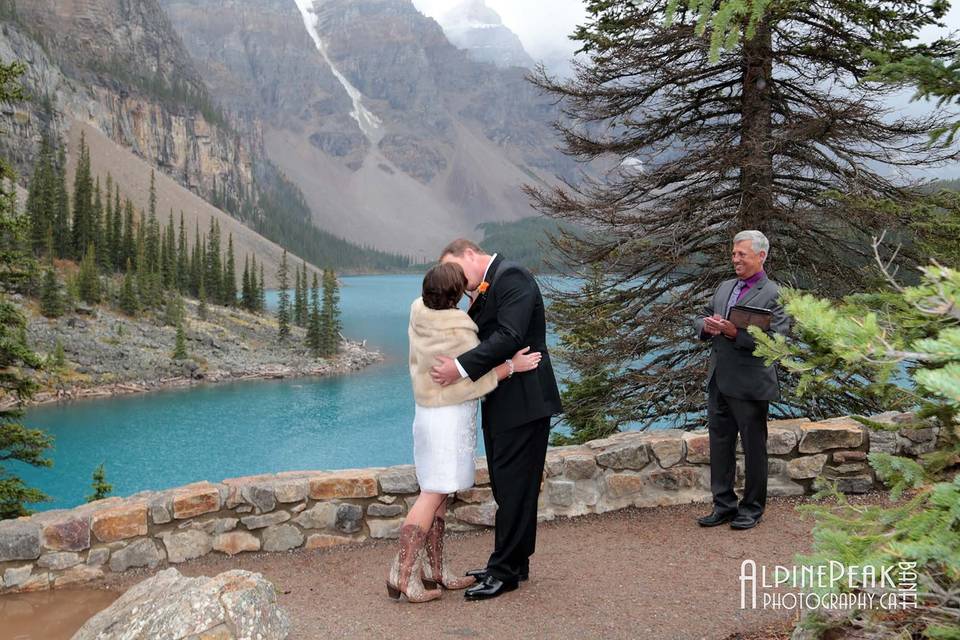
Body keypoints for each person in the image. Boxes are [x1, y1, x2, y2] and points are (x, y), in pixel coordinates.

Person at [387, 262, 542, 603]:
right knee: (433, 494)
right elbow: (470, 382)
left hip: (426, 415)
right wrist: (511, 367)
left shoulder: (419, 317)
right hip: (447, 418)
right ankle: (402, 573)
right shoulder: (459, 331)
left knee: (436, 492)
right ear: (456, 294)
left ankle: (434, 572)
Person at [431, 239, 562, 600]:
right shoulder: (489, 287)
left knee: (515, 487)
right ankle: (514, 564)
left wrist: (459, 369)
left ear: (470, 254)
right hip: (506, 399)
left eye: (456, 269)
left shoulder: (512, 276)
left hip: (524, 400)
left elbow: (510, 335)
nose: (456, 279)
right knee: (510, 487)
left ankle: (503, 571)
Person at [694, 230, 791, 530]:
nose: (735, 259)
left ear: (761, 256)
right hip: (719, 381)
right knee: (719, 445)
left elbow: (778, 340)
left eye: (742, 255)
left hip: (751, 385)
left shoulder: (775, 294)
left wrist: (737, 334)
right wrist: (706, 327)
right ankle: (723, 505)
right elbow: (702, 315)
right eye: (734, 254)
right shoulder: (724, 287)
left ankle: (751, 509)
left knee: (754, 450)